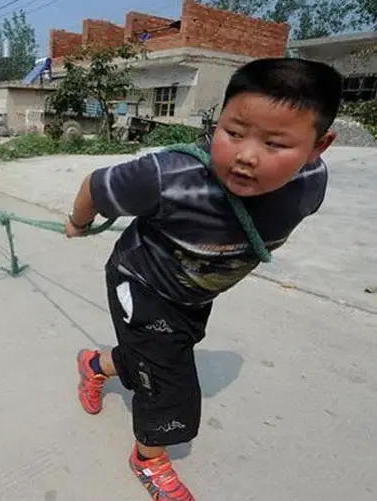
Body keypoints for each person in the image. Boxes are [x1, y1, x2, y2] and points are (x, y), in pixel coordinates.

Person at [65, 57, 342, 500]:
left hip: (192, 293)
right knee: (169, 377)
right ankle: (148, 458)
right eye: (233, 133)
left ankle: (95, 365)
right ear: (219, 121)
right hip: (142, 281)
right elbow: (95, 187)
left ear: (318, 146)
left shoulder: (310, 183)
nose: (247, 156)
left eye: (275, 144)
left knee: (157, 353)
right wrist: (78, 223)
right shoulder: (170, 176)